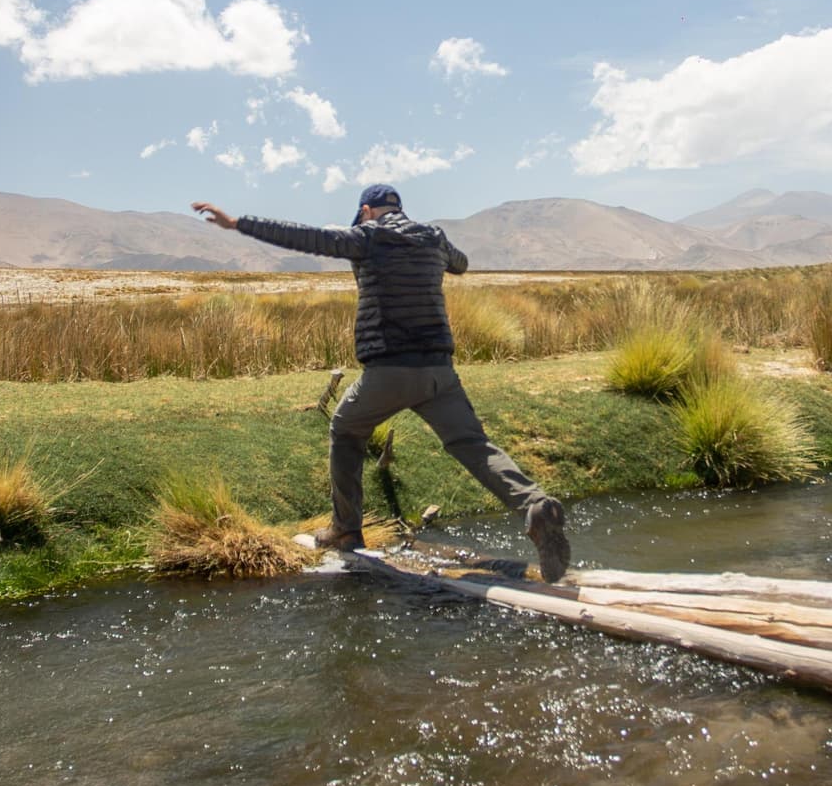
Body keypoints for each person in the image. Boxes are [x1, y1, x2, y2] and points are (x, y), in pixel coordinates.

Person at [191, 182, 571, 583]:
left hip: (390, 368)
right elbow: (461, 263)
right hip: (439, 372)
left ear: (368, 211)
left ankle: (345, 529)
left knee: (345, 428)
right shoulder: (433, 238)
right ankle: (535, 504)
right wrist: (434, 254)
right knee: (472, 444)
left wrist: (237, 223)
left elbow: (311, 238)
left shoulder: (368, 237)